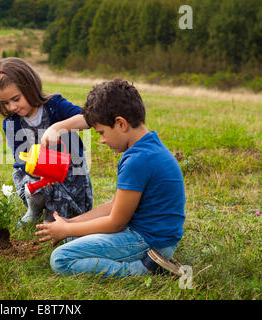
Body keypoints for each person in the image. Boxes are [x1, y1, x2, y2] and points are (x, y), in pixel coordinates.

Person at [35, 79, 186, 277]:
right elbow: (114, 204)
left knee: (61, 259)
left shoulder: (137, 160)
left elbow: (116, 223)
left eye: (102, 132)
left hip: (148, 241)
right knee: (71, 238)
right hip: (154, 237)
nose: (102, 140)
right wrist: (70, 225)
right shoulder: (148, 146)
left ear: (121, 123)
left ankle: (146, 269)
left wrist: (66, 230)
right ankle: (152, 259)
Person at [0, 57, 93, 227]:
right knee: (32, 187)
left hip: (67, 170)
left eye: (16, 99)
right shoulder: (11, 123)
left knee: (61, 209)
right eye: (5, 103)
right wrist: (38, 171)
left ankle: (56, 214)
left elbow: (88, 119)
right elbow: (19, 155)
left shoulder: (55, 105)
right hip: (36, 171)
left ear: (30, 87)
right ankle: (34, 209)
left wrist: (59, 127)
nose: (12, 107)